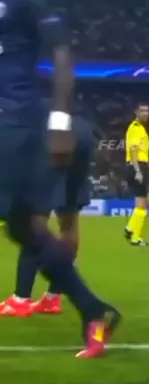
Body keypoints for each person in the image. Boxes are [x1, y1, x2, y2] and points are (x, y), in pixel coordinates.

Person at [0, 0, 120, 358]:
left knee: (25, 225)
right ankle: (94, 311)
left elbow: (63, 54)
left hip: (16, 120)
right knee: (23, 228)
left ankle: (91, 310)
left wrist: (61, 120)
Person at [0, 112, 94, 316]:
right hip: (79, 128)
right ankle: (53, 297)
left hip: (48, 129)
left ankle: (21, 299)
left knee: (34, 220)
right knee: (69, 222)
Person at [123, 103, 149, 247]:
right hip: (137, 165)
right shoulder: (135, 127)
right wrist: (138, 171)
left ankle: (131, 229)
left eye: (147, 111)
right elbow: (133, 150)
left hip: (141, 165)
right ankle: (134, 236)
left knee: (145, 201)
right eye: (142, 111)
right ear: (136, 112)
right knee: (142, 204)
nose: (146, 113)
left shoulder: (140, 128)